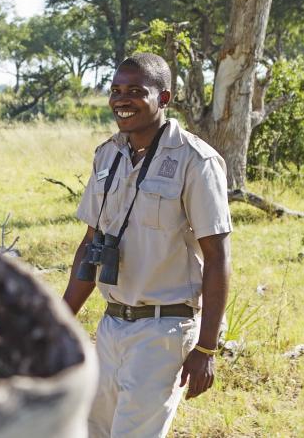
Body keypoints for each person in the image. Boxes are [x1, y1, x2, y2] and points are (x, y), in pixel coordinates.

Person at [63, 52, 232, 437]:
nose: (122, 100)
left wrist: (206, 348)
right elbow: (90, 243)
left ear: (164, 98)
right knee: (90, 431)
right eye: (116, 90)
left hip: (163, 329)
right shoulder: (108, 154)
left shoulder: (195, 161)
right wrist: (59, 321)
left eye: (136, 91)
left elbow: (217, 256)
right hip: (110, 325)